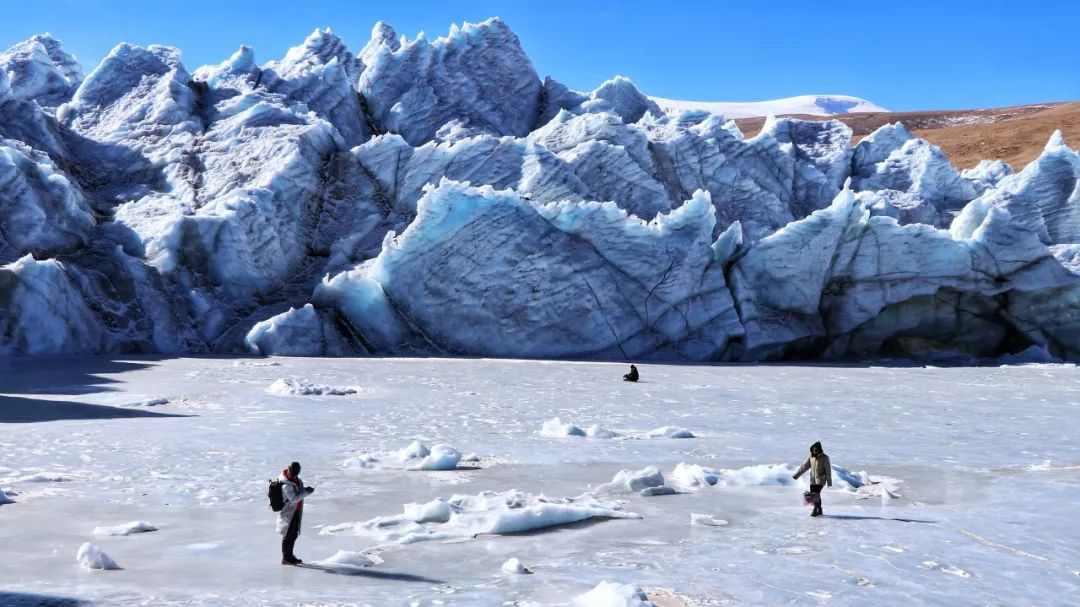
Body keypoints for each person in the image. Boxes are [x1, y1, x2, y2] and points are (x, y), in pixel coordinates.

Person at [277, 461, 314, 565]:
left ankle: (290, 556)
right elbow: (293, 499)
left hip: (296, 511)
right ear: (289, 470)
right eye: (293, 473)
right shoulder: (286, 485)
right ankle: (286, 558)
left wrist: (305, 490)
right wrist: (306, 492)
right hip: (289, 513)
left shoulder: (296, 479)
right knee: (288, 535)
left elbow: (299, 493)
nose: (294, 475)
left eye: (296, 473)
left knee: (293, 535)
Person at [792, 441, 832, 517]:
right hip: (813, 480)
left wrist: (829, 481)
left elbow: (828, 470)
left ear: (819, 449)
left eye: (816, 450)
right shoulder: (811, 457)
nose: (814, 451)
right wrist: (797, 475)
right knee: (816, 495)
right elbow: (805, 467)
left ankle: (815, 510)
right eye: (813, 450)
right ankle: (819, 509)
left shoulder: (825, 457)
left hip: (821, 479)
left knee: (815, 495)